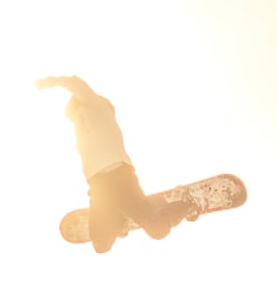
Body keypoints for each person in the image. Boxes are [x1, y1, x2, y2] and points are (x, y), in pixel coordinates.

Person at [36, 75, 182, 253]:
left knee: (158, 230)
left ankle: (184, 205)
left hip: (120, 177)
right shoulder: (80, 131)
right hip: (98, 186)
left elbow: (75, 83)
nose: (74, 119)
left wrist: (49, 82)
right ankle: (118, 219)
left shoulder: (95, 105)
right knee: (101, 246)